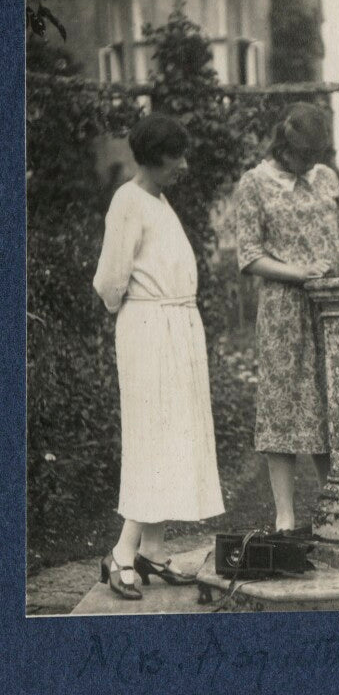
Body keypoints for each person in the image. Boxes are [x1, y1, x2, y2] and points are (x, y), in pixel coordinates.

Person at [93, 113, 225, 599]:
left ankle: (152, 550)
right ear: (153, 159)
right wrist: (147, 314)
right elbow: (110, 282)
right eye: (177, 158)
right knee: (155, 438)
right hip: (148, 331)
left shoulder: (159, 200)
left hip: (175, 328)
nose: (185, 165)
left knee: (174, 437)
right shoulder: (128, 201)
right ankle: (122, 554)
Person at [230, 102, 339, 532]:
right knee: (282, 409)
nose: (310, 165)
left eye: (316, 156)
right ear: (283, 146)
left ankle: (335, 507)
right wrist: (299, 273)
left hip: (330, 308)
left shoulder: (325, 178)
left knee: (331, 404)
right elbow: (249, 256)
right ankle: (285, 515)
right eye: (303, 156)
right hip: (284, 310)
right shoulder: (254, 184)